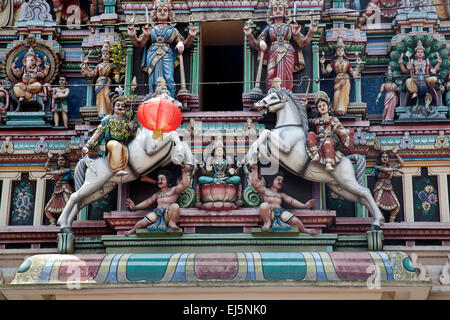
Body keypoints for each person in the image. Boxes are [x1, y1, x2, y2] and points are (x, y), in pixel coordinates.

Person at [127, 0, 197, 97]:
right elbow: (140, 44)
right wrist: (133, 36)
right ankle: (153, 96)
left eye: (165, 10)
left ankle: (170, 97)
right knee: (152, 78)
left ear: (169, 14)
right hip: (153, 53)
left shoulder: (173, 30)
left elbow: (184, 44)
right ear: (155, 14)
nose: (162, 12)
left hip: (167, 54)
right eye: (159, 10)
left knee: (169, 77)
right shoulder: (151, 29)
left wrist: (191, 36)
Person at [243, 0, 317, 91]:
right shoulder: (268, 28)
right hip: (273, 53)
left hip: (288, 52)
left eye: (280, 9)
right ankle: (272, 94)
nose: (277, 11)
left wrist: (311, 32)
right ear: (271, 13)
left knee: (287, 76)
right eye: (275, 9)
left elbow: (302, 43)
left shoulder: (290, 27)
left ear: (285, 12)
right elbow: (257, 45)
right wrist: (249, 35)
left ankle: (286, 94)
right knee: (270, 74)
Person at [124, 165, 190, 235]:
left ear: (168, 180)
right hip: (157, 214)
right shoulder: (157, 194)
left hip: (168, 214)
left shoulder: (173, 190)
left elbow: (185, 185)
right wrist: (135, 207)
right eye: (158, 180)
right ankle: (132, 230)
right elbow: (148, 201)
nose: (159, 181)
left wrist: (184, 172)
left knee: (175, 206)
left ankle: (172, 223)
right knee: (143, 221)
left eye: (162, 179)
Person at [250, 164, 316, 233]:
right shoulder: (265, 191)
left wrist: (304, 206)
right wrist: (255, 170)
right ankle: (267, 222)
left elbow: (291, 201)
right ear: (272, 180)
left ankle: (304, 230)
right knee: (264, 205)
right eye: (278, 180)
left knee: (296, 220)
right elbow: (255, 183)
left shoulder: (281, 195)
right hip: (269, 213)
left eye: (281, 180)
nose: (280, 182)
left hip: (280, 213)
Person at [82, 94, 135, 176]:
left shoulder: (126, 121)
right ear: (113, 107)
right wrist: (87, 146)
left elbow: (128, 137)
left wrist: (130, 129)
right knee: (116, 145)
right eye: (118, 105)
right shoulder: (108, 119)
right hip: (110, 143)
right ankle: (117, 169)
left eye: (122, 106)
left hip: (122, 144)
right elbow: (99, 132)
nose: (120, 107)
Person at [306, 91, 350, 172]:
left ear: (328, 107)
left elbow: (344, 133)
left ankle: (328, 163)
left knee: (327, 143)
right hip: (319, 140)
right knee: (310, 134)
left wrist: (336, 129)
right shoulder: (316, 120)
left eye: (324, 105)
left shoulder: (333, 120)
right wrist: (304, 106)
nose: (322, 107)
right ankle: (316, 154)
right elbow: (305, 120)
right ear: (318, 110)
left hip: (330, 139)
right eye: (319, 106)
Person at [319, 37, 361, 115]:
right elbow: (325, 73)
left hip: (345, 79)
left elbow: (353, 73)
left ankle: (342, 110)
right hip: (337, 79)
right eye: (338, 50)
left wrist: (358, 65)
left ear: (344, 51)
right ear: (336, 52)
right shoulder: (333, 62)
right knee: (336, 95)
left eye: (341, 50)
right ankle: (335, 109)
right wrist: (322, 64)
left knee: (344, 95)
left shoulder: (347, 62)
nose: (340, 52)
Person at [81, 40, 116, 118]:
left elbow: (116, 74)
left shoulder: (112, 65)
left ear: (110, 55)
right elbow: (93, 74)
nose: (105, 55)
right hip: (99, 82)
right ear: (101, 55)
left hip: (108, 83)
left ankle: (108, 113)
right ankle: (101, 113)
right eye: (104, 54)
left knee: (107, 96)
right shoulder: (99, 66)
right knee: (100, 98)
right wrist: (86, 66)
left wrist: (117, 76)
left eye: (107, 53)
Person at [373, 147, 404, 223]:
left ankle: (391, 219)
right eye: (383, 157)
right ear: (380, 158)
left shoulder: (391, 167)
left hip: (389, 187)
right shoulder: (377, 167)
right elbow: (385, 170)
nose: (385, 158)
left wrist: (396, 154)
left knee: (397, 205)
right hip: (380, 186)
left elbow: (402, 163)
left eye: (386, 157)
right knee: (377, 204)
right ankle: (381, 218)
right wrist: (395, 170)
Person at [44, 152, 73, 225]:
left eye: (62, 160)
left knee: (68, 206)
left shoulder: (68, 170)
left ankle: (66, 221)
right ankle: (52, 222)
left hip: (65, 188)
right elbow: (47, 168)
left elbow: (60, 173)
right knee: (48, 209)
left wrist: (49, 173)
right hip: (57, 190)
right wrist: (49, 158)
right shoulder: (55, 171)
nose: (60, 161)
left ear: (66, 161)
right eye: (59, 160)